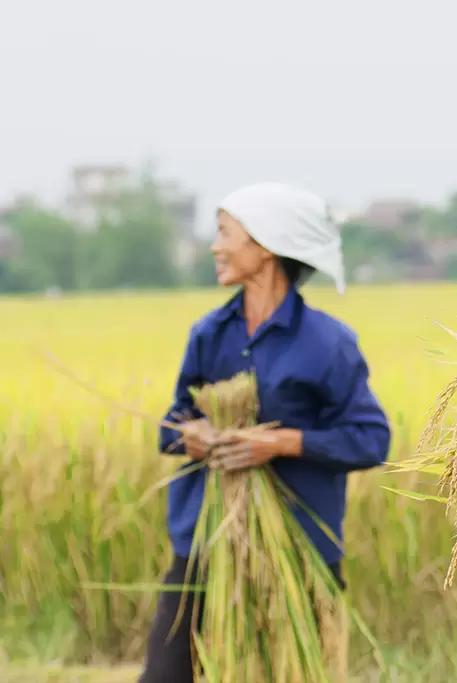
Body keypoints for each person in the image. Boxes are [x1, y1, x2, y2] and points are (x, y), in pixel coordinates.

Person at [138, 182, 392, 683]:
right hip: (203, 546)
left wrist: (278, 443)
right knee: (164, 677)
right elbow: (171, 427)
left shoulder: (328, 343)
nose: (215, 246)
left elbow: (371, 439)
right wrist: (194, 436)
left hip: (298, 550)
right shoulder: (209, 333)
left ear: (266, 246)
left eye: (224, 233)